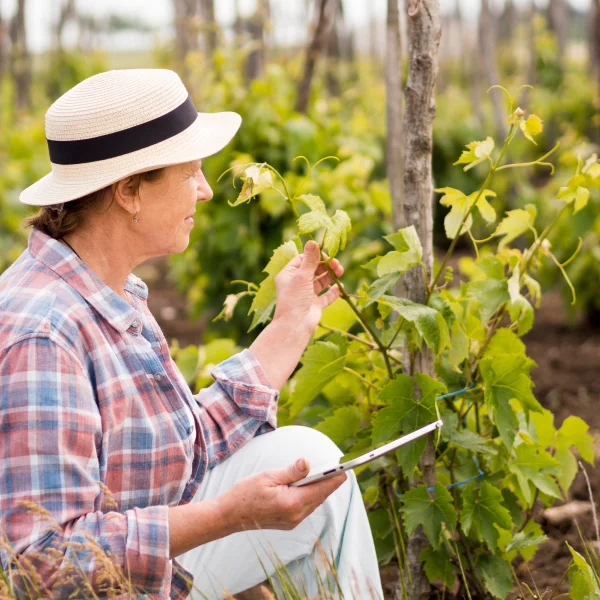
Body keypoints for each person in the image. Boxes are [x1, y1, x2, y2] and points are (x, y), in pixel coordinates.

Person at [0, 69, 383, 599]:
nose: (205, 191)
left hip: (138, 561)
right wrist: (225, 517)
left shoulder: (107, 289)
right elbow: (43, 563)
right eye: (192, 172)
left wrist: (291, 326)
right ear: (130, 191)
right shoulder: (45, 335)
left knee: (312, 463)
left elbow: (184, 448)